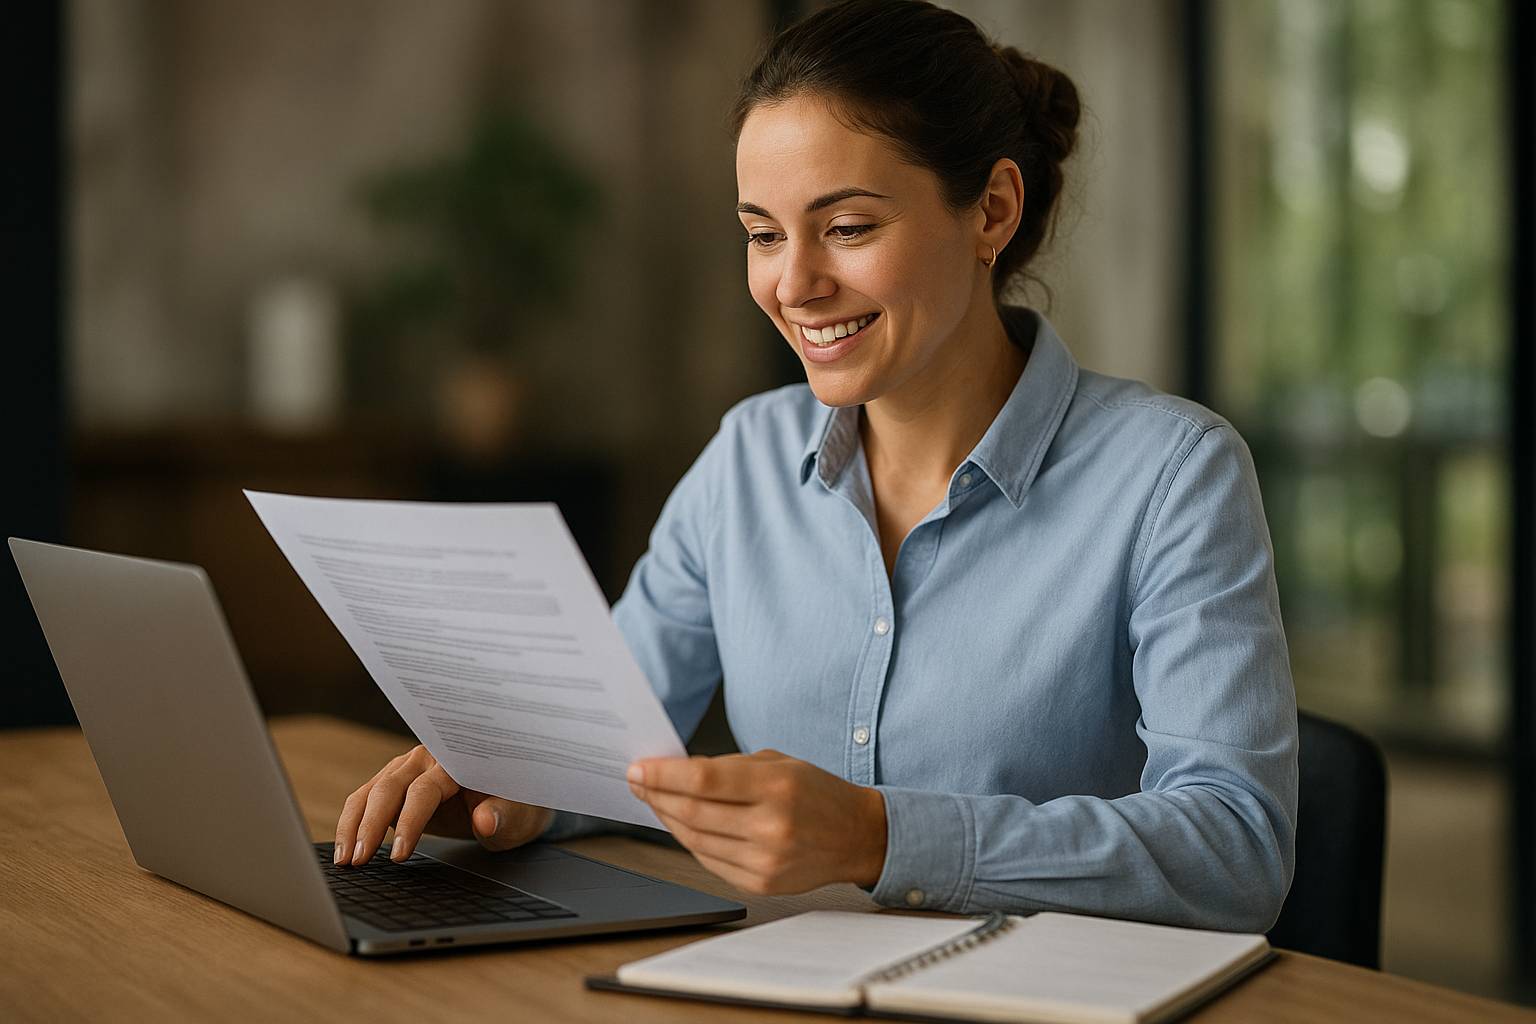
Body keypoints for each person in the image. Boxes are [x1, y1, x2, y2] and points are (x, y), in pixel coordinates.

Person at [332, 0, 1298, 933]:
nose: (794, 285)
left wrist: (880, 836)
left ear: (992, 209)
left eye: (847, 228)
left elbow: (1235, 848)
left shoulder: (1174, 475)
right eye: (762, 234)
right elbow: (612, 742)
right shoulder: (746, 459)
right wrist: (520, 778)